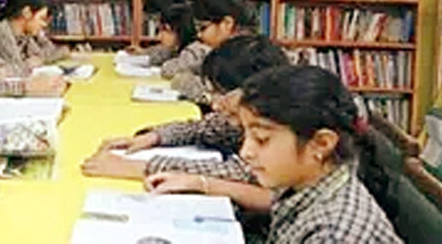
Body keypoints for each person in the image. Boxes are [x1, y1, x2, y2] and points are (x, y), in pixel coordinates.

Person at [155, 65, 401, 243]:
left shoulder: (333, 234)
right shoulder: (308, 183)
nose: (246, 152)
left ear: (321, 143)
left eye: (262, 139)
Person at [83, 35, 289, 212]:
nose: (215, 105)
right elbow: (201, 128)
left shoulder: (280, 128)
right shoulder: (247, 115)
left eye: (222, 95)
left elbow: (238, 172)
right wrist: (154, 137)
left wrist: (141, 168)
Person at [0, 0, 70, 71]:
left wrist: (40, 59)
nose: (45, 25)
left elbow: (52, 51)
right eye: (42, 19)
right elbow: (16, 68)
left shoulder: (25, 35)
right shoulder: (0, 32)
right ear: (26, 13)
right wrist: (33, 62)